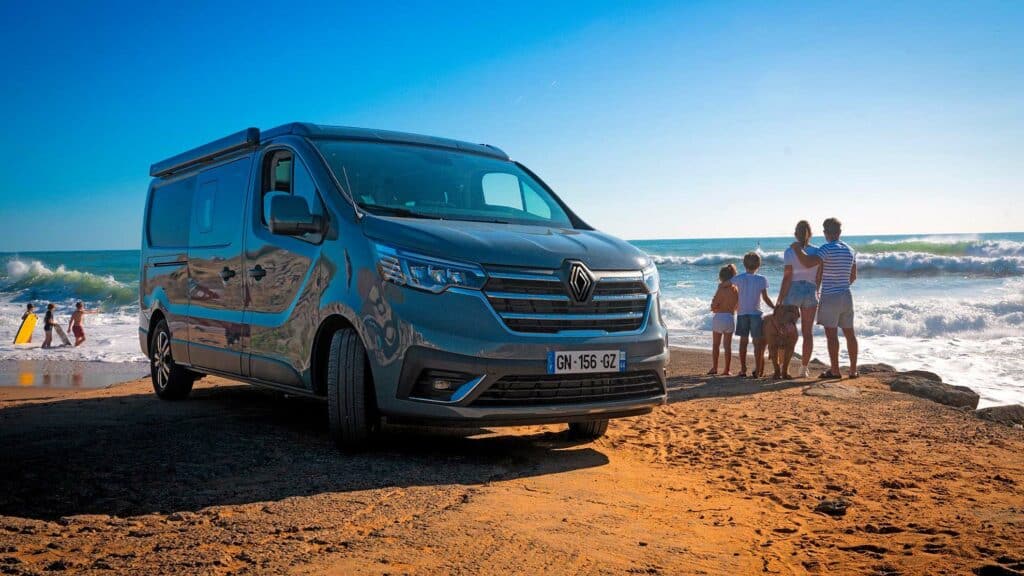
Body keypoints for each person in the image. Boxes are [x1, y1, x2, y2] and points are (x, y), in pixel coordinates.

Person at [791, 217, 858, 379]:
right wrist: (842, 284)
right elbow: (853, 276)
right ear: (840, 232)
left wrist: (797, 249)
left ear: (825, 233)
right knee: (850, 333)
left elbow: (808, 263)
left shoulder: (826, 249)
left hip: (830, 296)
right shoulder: (850, 250)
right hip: (846, 295)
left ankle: (835, 370)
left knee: (832, 335)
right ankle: (853, 370)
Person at [777, 221, 822, 378]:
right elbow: (818, 277)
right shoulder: (817, 251)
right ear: (810, 234)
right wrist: (816, 291)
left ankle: (784, 367)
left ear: (795, 234)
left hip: (793, 291)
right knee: (807, 332)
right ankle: (803, 369)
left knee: (786, 332)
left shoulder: (789, 251)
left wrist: (780, 297)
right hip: (810, 290)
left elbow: (788, 276)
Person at [732, 252, 775, 378]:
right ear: (758, 265)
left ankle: (743, 369)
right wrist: (774, 307)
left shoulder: (739, 278)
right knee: (757, 343)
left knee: (743, 342)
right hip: (756, 314)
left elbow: (728, 285)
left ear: (744, 264)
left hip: (742, 313)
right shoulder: (762, 279)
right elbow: (765, 298)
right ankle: (757, 369)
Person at [708, 264, 739, 375]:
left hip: (719, 318)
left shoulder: (720, 289)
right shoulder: (735, 290)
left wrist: (715, 308)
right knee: (727, 346)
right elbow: (737, 306)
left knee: (716, 345)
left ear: (721, 277)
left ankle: (715, 368)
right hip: (730, 318)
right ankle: (727, 369)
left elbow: (713, 305)